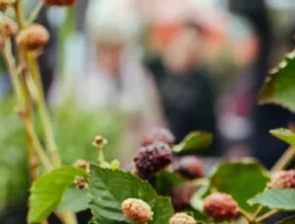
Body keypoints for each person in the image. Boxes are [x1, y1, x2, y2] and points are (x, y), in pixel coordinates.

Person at [50, 0, 162, 151]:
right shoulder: (76, 78)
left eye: (116, 48)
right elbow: (58, 120)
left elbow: (154, 124)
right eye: (105, 48)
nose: (110, 56)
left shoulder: (138, 78)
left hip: (131, 164)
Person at [146, 21, 222, 157]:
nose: (189, 49)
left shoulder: (203, 82)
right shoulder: (152, 69)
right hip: (153, 151)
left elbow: (209, 128)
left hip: (187, 157)